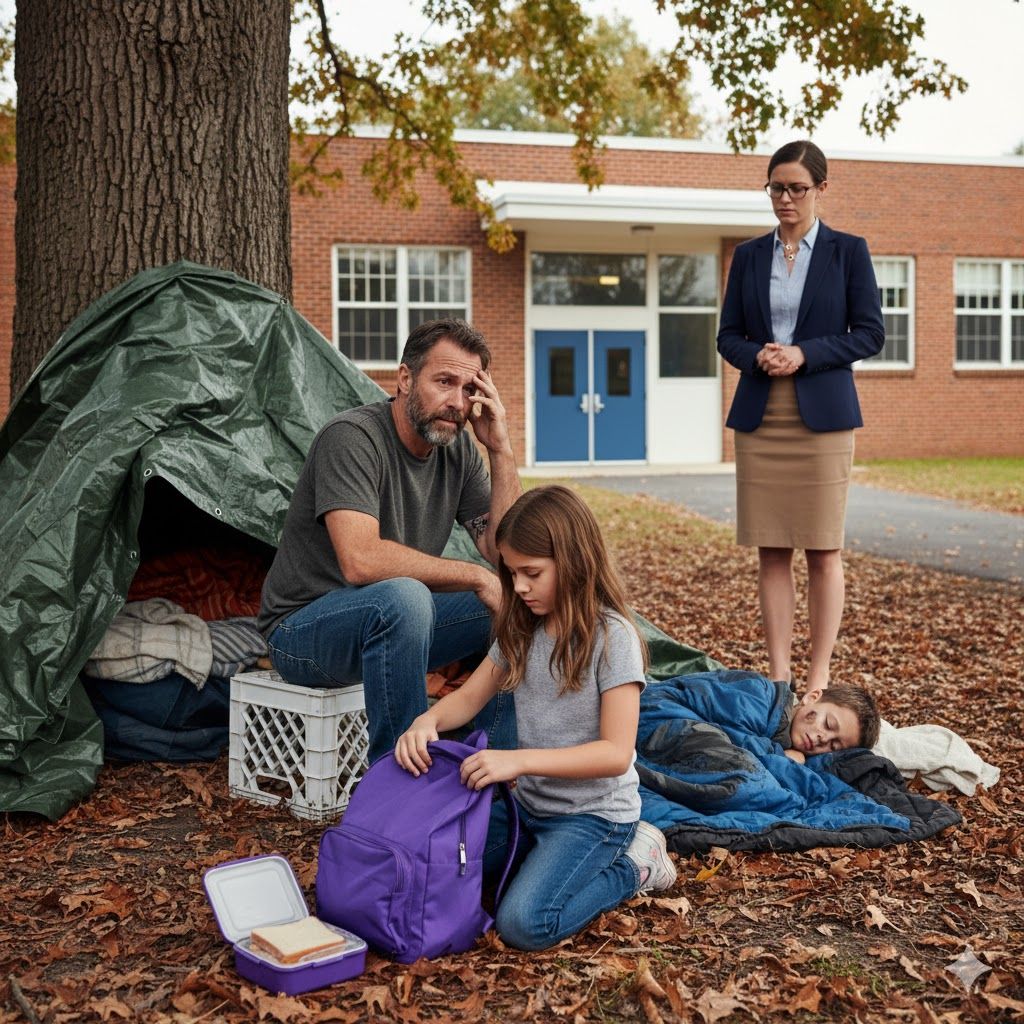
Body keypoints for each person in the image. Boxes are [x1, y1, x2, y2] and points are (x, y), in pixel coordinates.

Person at [395, 485, 677, 953]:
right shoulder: (522, 628)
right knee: (439, 868)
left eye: (532, 573)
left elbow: (615, 753)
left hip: (593, 817)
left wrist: (517, 762)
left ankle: (636, 865)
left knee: (524, 924)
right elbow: (466, 700)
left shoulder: (613, 638)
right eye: (512, 573)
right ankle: (538, 859)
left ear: (574, 562)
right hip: (528, 807)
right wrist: (426, 722)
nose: (519, 586)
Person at [257, 317, 522, 763]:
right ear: (404, 378)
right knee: (405, 597)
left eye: (468, 390)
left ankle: (495, 775)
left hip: (396, 623)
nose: (457, 402)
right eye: (444, 382)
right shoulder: (353, 438)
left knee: (509, 604)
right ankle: (398, 786)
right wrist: (475, 576)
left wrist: (500, 448)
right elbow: (359, 560)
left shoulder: (457, 449)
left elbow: (507, 551)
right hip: (303, 634)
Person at [716, 140, 885, 692]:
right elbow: (728, 336)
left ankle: (817, 676)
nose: (785, 199)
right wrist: (758, 354)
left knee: (822, 549)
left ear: (821, 189)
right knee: (771, 549)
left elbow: (870, 333)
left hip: (824, 417)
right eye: (776, 188)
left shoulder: (848, 251)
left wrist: (805, 353)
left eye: (796, 188)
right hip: (763, 414)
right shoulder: (748, 256)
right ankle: (780, 677)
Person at [777, 682, 880, 764]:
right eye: (828, 724)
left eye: (833, 746)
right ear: (811, 698)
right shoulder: (767, 701)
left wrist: (786, 763)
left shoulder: (801, 763)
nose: (824, 739)